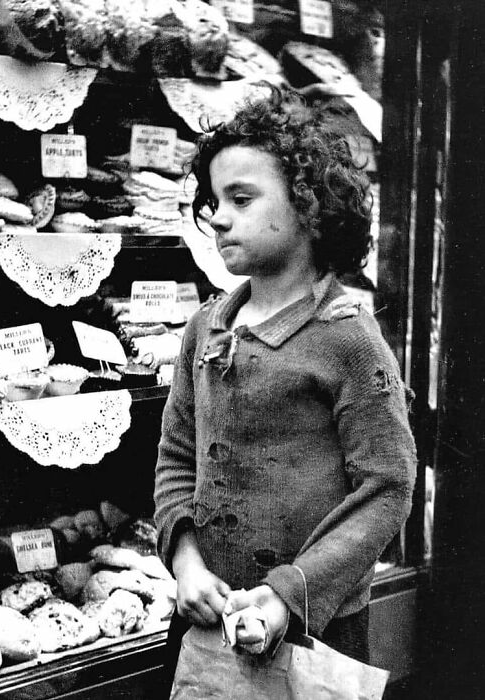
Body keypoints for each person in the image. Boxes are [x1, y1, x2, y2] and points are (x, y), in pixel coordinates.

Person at [154, 86, 417, 695]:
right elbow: (175, 457)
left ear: (308, 207)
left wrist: (285, 595)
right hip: (204, 624)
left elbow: (387, 486)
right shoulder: (206, 326)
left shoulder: (348, 340)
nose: (218, 216)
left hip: (312, 632)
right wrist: (186, 564)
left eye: (241, 198)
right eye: (213, 201)